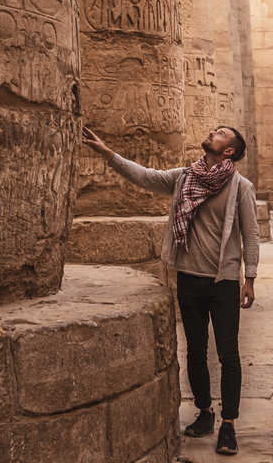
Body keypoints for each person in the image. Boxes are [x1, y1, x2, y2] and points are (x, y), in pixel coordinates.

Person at [82, 124, 260, 457]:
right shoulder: (185, 177)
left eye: (221, 133)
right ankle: (205, 412)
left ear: (229, 151)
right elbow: (145, 176)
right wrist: (108, 154)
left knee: (228, 354)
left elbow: (250, 234)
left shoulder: (240, 187)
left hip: (223, 282)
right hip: (189, 277)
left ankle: (229, 424)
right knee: (195, 350)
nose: (212, 132)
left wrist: (249, 277)